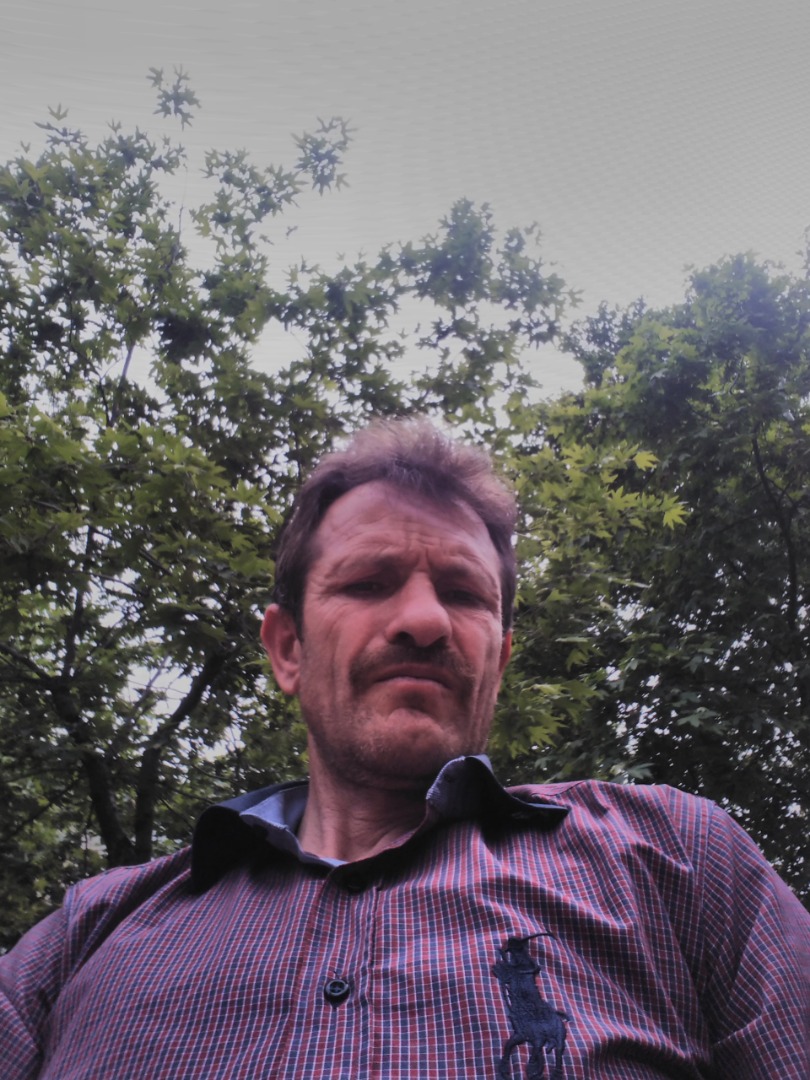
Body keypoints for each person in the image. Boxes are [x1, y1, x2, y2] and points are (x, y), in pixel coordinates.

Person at [1, 418, 808, 1079]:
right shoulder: (79, 938)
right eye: (368, 583)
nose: (424, 620)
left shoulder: (677, 861)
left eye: (463, 593)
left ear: (499, 659)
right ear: (288, 649)